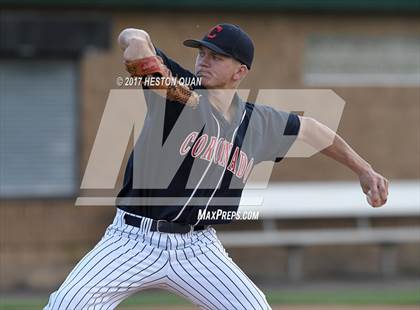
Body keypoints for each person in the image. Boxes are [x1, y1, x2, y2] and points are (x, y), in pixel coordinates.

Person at [44, 23, 388, 310]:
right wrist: (135, 41)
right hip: (133, 239)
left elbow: (312, 129)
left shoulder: (258, 122)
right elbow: (134, 44)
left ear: (240, 71)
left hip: (198, 247)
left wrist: (364, 169)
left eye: (216, 56)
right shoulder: (178, 91)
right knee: (64, 306)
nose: (203, 61)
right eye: (201, 53)